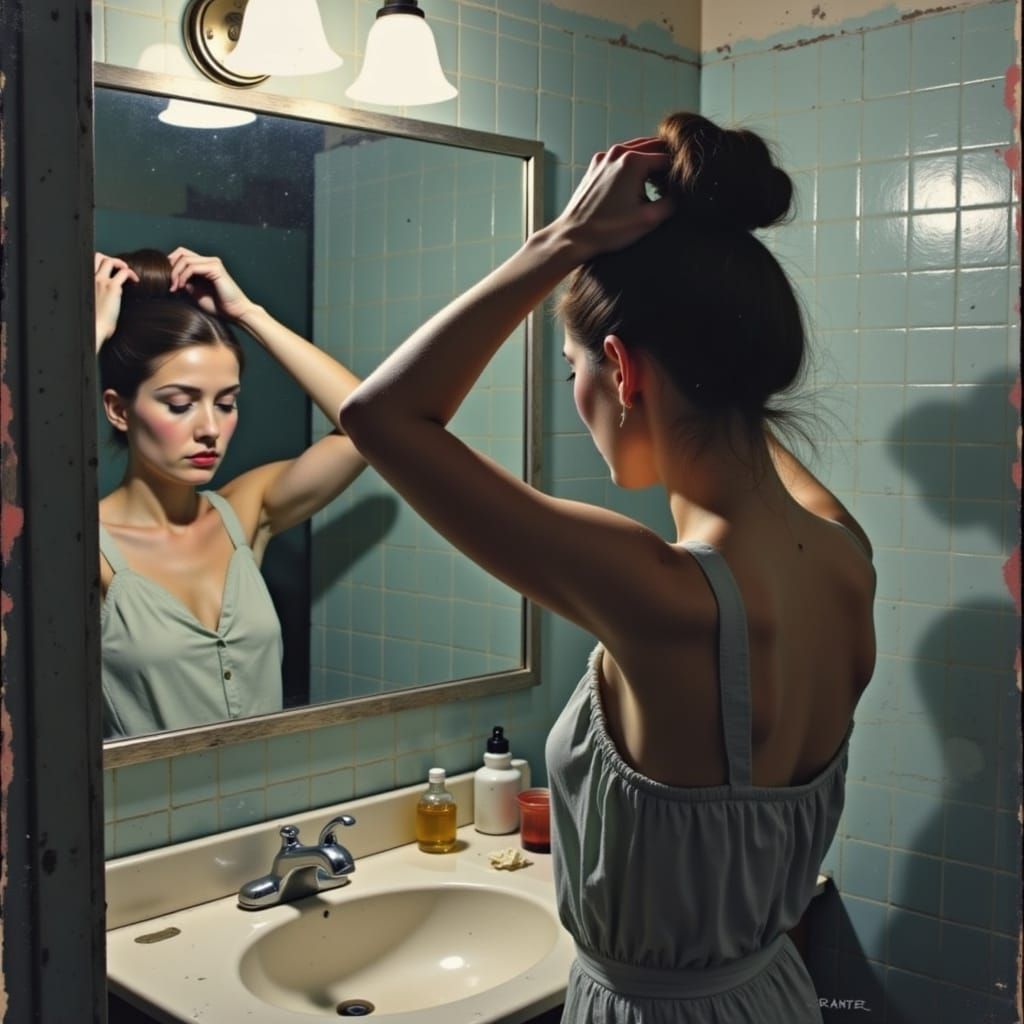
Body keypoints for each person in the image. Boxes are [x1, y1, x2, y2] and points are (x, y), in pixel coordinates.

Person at [338, 111, 876, 1023]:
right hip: (778, 998)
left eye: (571, 369)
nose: (579, 398)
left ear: (621, 371)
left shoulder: (663, 592)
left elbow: (380, 419)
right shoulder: (841, 549)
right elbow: (735, 403)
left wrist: (564, 241)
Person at [95, 247, 366, 739]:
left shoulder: (244, 512)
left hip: (263, 807)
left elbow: (366, 427)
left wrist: (249, 315)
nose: (210, 429)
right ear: (118, 410)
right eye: (180, 404)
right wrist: (88, 339)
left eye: (226, 403)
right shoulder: (84, 545)